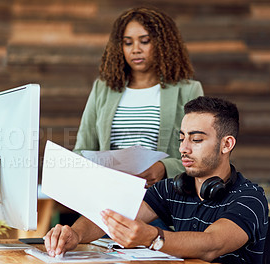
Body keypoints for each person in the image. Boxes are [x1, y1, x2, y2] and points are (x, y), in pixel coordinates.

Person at [45, 96, 269, 264]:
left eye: (196, 140)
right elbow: (113, 214)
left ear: (226, 144)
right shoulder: (172, 189)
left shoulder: (249, 198)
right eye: (182, 138)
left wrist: (152, 238)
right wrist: (75, 234)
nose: (183, 148)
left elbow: (211, 245)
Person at [74, 7, 204, 188]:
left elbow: (200, 153)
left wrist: (163, 168)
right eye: (128, 43)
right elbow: (82, 150)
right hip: (110, 192)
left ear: (162, 44)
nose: (135, 49)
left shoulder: (188, 90)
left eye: (144, 41)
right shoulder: (103, 89)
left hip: (161, 198)